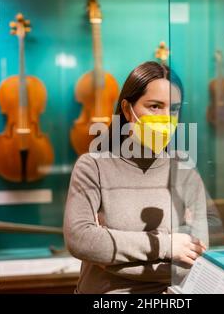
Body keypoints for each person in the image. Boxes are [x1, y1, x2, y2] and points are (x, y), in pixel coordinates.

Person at [64, 61, 211, 294]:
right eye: (154, 106)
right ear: (126, 109)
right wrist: (168, 245)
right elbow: (81, 240)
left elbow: (191, 260)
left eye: (173, 109)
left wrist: (112, 254)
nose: (165, 117)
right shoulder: (92, 166)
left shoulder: (185, 169)